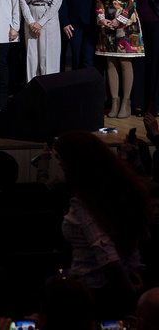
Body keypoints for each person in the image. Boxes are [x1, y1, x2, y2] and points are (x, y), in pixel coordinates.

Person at [51, 131, 147, 316]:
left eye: (59, 158)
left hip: (92, 293)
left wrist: (131, 295)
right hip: (116, 286)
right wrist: (134, 274)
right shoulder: (116, 193)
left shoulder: (84, 203)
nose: (60, 163)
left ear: (73, 161)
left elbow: (107, 256)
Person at [95, 0, 145, 118]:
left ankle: (126, 102)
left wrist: (121, 19)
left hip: (126, 23)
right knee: (110, 62)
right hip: (107, 23)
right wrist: (102, 17)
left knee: (124, 62)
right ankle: (114, 102)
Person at [139, 0, 158, 116]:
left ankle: (153, 105)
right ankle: (141, 103)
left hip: (155, 22)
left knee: (154, 64)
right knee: (141, 64)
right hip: (138, 23)